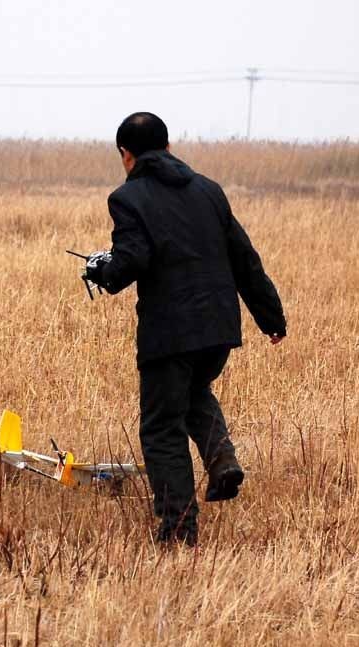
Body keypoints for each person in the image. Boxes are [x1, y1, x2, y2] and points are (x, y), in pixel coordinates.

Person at [83, 112, 286, 546]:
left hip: (170, 334)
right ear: (169, 147)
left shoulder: (127, 198)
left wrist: (102, 270)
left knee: (162, 427)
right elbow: (245, 259)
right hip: (218, 329)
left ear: (126, 155)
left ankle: (179, 528)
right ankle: (222, 462)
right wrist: (271, 317)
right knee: (192, 391)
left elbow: (132, 259)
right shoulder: (208, 190)